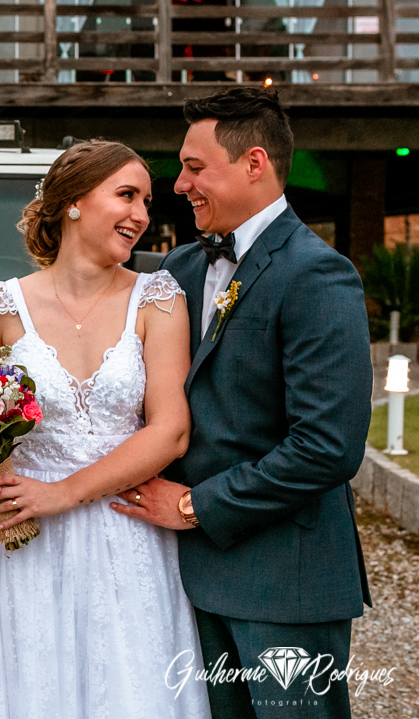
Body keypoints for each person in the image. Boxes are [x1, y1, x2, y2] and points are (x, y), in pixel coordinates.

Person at [111, 87, 372, 719]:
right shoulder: (176, 269)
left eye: (195, 167)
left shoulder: (319, 274)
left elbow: (327, 448)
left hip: (287, 582)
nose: (179, 185)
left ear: (254, 163)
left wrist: (196, 505)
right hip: (186, 582)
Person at [0, 140, 212, 719]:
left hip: (127, 531)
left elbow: (170, 431)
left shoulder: (159, 298)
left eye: (145, 200)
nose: (142, 215)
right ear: (72, 202)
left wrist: (62, 494)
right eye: (126, 195)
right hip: (28, 544)